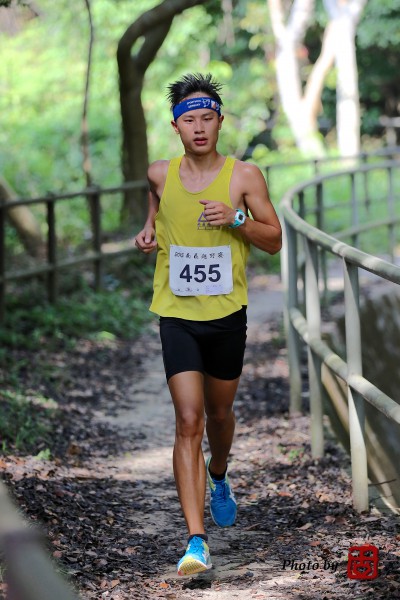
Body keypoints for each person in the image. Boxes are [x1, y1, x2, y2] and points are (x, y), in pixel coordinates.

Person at [134, 72, 282, 576]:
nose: (198, 128)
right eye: (189, 120)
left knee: (219, 417)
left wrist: (236, 220)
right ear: (175, 127)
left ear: (219, 122)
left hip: (226, 316)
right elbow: (157, 202)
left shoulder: (245, 177)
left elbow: (274, 240)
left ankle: (219, 473)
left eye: (206, 118)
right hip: (176, 314)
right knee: (188, 420)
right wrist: (149, 227)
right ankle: (196, 541)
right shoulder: (159, 173)